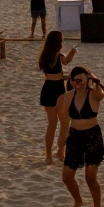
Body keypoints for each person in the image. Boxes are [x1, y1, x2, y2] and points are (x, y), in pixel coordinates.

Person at [56, 66, 104, 207]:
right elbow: (64, 124)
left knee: (90, 177)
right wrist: (60, 146)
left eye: (82, 81)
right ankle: (78, 201)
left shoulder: (94, 94)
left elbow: (102, 93)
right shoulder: (67, 98)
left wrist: (94, 79)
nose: (79, 85)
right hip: (75, 136)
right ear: (71, 82)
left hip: (93, 136)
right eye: (76, 81)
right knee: (66, 177)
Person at [39, 31, 77, 165]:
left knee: (58, 123)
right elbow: (64, 62)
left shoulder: (46, 56)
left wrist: (71, 53)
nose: (62, 43)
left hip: (52, 89)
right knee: (59, 123)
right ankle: (55, 153)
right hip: (55, 91)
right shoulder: (55, 56)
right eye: (61, 40)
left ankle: (55, 153)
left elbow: (61, 66)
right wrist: (71, 53)